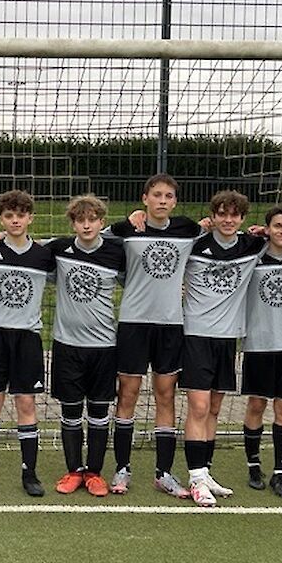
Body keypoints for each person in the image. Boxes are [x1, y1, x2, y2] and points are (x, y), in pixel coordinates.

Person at [179, 190, 282, 507]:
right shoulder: (193, 244)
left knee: (213, 409)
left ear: (242, 218)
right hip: (196, 336)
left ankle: (205, 472)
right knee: (199, 408)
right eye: (222, 214)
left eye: (234, 215)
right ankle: (195, 478)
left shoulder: (251, 245)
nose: (228, 220)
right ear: (213, 216)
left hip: (229, 339)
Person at [107, 173, 203, 498]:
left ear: (175, 202)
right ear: (145, 198)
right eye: (157, 195)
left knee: (165, 396)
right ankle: (122, 469)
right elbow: (87, 235)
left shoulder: (188, 230)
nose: (162, 200)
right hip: (133, 323)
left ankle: (164, 473)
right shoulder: (125, 230)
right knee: (128, 394)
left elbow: (224, 230)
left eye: (168, 196)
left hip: (170, 325)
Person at [0, 190, 55, 498]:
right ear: (1, 219)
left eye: (21, 215)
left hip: (27, 337)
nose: (15, 220)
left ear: (30, 218)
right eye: (9, 216)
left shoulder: (44, 255)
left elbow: (79, 242)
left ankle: (29, 474)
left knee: (26, 404)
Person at [45, 195, 126, 495]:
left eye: (92, 219)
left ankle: (94, 473)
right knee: (70, 410)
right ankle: (73, 472)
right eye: (81, 220)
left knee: (98, 412)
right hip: (67, 344)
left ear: (102, 222)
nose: (87, 225)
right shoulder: (59, 249)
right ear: (73, 224)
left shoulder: (116, 253)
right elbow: (23, 244)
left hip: (104, 346)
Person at [239, 205, 282, 496]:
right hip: (258, 343)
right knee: (257, 405)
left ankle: (281, 473)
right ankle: (253, 466)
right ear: (267, 229)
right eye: (277, 226)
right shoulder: (253, 256)